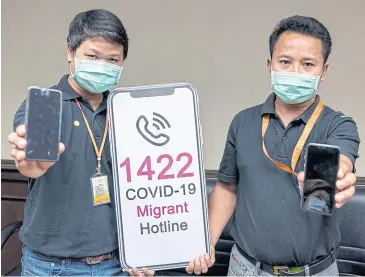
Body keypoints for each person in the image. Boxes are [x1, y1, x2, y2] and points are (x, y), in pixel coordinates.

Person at [186, 15, 360, 276]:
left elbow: (342, 161)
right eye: (285, 62)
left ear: (323, 71)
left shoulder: (338, 125)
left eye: (308, 64)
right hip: (245, 268)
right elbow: (227, 187)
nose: (295, 72)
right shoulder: (243, 121)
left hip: (315, 271)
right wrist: (206, 243)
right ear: (270, 65)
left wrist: (338, 178)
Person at [8, 9, 154, 277]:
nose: (103, 65)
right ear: (70, 52)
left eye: (113, 60)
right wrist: (30, 162)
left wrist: (142, 251)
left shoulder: (129, 112)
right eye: (93, 56)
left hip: (116, 264)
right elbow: (30, 157)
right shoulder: (45, 105)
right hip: (49, 267)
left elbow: (142, 186)